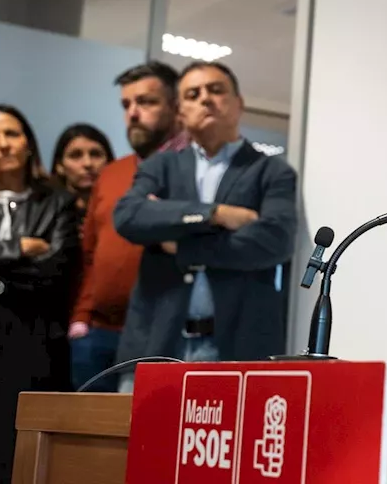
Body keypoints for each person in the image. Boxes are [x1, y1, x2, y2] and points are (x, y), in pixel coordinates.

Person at [113, 61, 297, 384]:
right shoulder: (162, 166)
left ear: (239, 104)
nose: (206, 99)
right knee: (141, 436)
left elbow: (274, 240)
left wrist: (181, 244)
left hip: (236, 348)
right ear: (180, 111)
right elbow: (129, 216)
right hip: (157, 343)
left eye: (216, 90)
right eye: (193, 94)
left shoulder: (271, 171)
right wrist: (216, 215)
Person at [0, 104, 80, 483]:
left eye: (11, 134)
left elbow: (54, 269)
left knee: (11, 445)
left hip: (31, 335)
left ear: (29, 143)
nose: (2, 144)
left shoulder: (58, 201)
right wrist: (18, 249)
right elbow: (33, 261)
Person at [68, 62, 190, 391]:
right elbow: (91, 254)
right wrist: (81, 318)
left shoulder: (195, 169)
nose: (133, 113)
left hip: (161, 336)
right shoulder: (111, 174)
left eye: (146, 102)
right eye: (126, 104)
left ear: (176, 107)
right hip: (96, 333)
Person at [50, 123, 114, 223]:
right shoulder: (45, 217)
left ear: (109, 163)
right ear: (60, 166)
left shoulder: (124, 214)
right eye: (76, 155)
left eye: (95, 155)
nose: (87, 163)